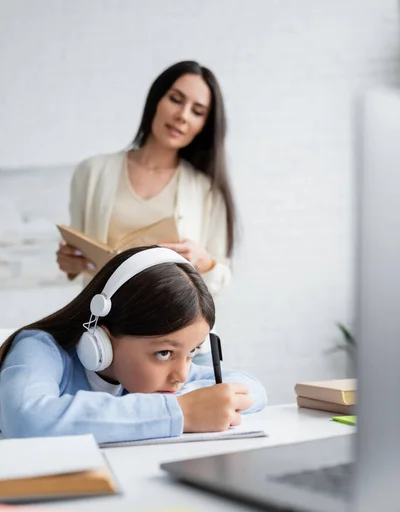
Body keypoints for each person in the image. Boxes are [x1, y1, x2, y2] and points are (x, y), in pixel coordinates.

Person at [56, 60, 237, 365]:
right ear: (156, 100)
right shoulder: (92, 173)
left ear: (205, 125)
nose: (182, 115)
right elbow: (81, 266)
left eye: (197, 111)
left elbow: (221, 275)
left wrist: (204, 262)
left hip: (178, 344)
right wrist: (70, 263)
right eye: (176, 100)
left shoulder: (207, 190)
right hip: (106, 340)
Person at [0, 247, 267, 444]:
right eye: (164, 353)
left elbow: (253, 389)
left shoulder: (156, 377)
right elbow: (27, 420)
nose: (181, 375)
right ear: (102, 340)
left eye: (192, 352)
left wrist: (203, 401)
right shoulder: (38, 348)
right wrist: (183, 411)